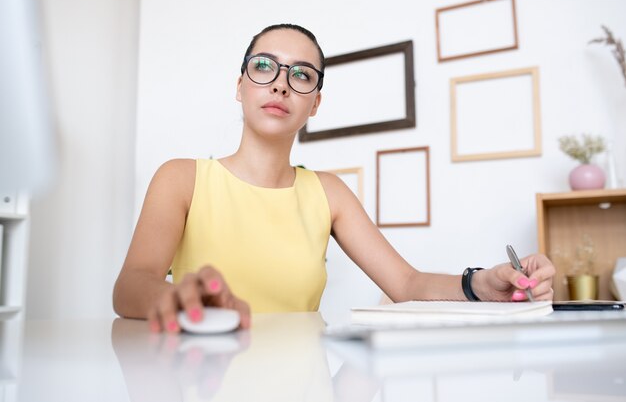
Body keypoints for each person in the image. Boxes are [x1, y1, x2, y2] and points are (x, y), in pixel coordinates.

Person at [113, 24, 555, 333]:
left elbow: (405, 285)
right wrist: (170, 299)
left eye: (301, 75)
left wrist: (484, 282)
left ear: (315, 104)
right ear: (240, 85)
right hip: (200, 380)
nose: (281, 85)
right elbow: (131, 285)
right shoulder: (181, 178)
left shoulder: (329, 192)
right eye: (264, 67)